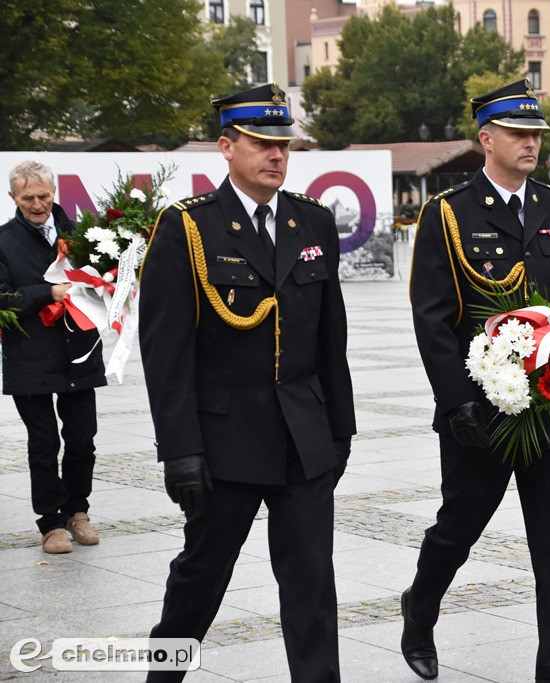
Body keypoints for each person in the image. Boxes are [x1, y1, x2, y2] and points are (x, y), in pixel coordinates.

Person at [138, 84, 356, 682]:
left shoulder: (310, 220)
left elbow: (329, 339)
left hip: (303, 439)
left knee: (312, 585)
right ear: (226, 147)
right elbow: (166, 352)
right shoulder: (189, 227)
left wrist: (341, 430)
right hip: (223, 444)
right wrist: (180, 450)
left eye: (282, 144)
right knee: (199, 580)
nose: (275, 155)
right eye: (261, 143)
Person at [405, 80, 550, 683]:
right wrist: (455, 400)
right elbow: (432, 316)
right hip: (479, 409)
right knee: (459, 526)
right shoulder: (449, 212)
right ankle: (420, 607)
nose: (530, 143)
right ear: (486, 138)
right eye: (518, 134)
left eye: (536, 134)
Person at [0, 161, 105, 554]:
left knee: (82, 439)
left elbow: (101, 282)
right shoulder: (3, 240)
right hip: (30, 355)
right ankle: (51, 523)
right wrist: (47, 293)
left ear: (54, 192)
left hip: (80, 351)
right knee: (42, 443)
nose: (38, 204)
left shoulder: (82, 236)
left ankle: (78, 512)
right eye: (28, 198)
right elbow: (1, 297)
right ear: (14, 198)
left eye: (44, 195)